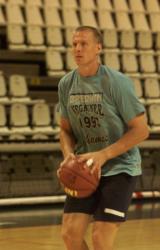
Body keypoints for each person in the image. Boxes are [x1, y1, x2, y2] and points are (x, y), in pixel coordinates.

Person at [57, 26, 149, 250]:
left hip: (119, 167)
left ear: (98, 47)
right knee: (70, 234)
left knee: (100, 237)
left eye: (84, 43)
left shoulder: (116, 82)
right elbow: (65, 130)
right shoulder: (66, 84)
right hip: (85, 169)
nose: (78, 48)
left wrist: (104, 155)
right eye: (75, 44)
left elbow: (141, 130)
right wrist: (69, 157)